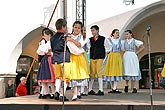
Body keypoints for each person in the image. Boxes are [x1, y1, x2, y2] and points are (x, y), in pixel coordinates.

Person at [67, 21, 89, 101]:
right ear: (73, 27)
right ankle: (74, 94)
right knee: (73, 75)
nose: (77, 29)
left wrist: (71, 40)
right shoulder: (69, 36)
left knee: (79, 75)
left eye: (79, 28)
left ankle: (79, 92)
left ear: (81, 29)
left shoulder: (82, 37)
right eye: (75, 27)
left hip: (79, 57)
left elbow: (79, 45)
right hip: (71, 57)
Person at [50, 18, 70, 101]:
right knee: (66, 77)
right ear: (63, 27)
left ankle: (57, 91)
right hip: (64, 58)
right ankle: (62, 94)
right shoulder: (64, 37)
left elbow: (52, 48)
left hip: (55, 59)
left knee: (58, 77)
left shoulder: (52, 38)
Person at [86, 25, 108, 95]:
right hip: (92, 57)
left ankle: (101, 89)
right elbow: (88, 48)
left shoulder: (103, 39)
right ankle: (90, 89)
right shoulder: (90, 40)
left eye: (93, 30)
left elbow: (108, 46)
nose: (92, 32)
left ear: (97, 30)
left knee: (99, 72)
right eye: (91, 31)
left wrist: (105, 53)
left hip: (100, 57)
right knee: (92, 73)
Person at [37, 28, 55, 99]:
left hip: (50, 60)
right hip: (45, 60)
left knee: (51, 78)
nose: (43, 37)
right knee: (44, 77)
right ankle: (45, 93)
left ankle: (54, 92)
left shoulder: (51, 42)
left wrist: (49, 52)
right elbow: (39, 51)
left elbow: (44, 50)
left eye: (45, 35)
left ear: (49, 35)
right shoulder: (45, 43)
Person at [104, 29, 123, 93]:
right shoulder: (109, 40)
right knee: (111, 71)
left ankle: (115, 87)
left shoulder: (120, 41)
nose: (118, 34)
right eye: (116, 33)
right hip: (111, 56)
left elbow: (122, 48)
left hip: (117, 56)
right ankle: (113, 88)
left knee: (116, 71)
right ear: (113, 34)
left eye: (118, 33)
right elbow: (107, 48)